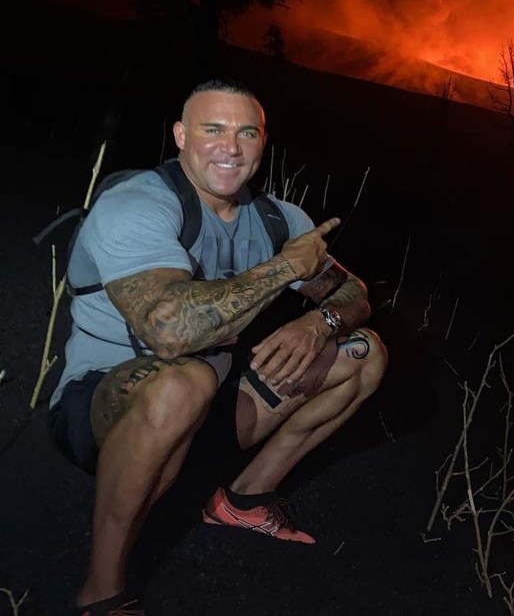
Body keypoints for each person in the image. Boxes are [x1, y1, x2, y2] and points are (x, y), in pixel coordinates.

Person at [47, 79, 386, 616]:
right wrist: (282, 270)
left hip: (210, 398)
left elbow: (353, 294)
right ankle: (101, 592)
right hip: (101, 409)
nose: (231, 147)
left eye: (246, 133)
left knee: (364, 354)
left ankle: (244, 500)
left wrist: (319, 323)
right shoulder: (136, 206)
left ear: (262, 143)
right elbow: (170, 334)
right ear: (181, 136)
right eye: (213, 129)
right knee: (184, 379)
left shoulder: (279, 219)